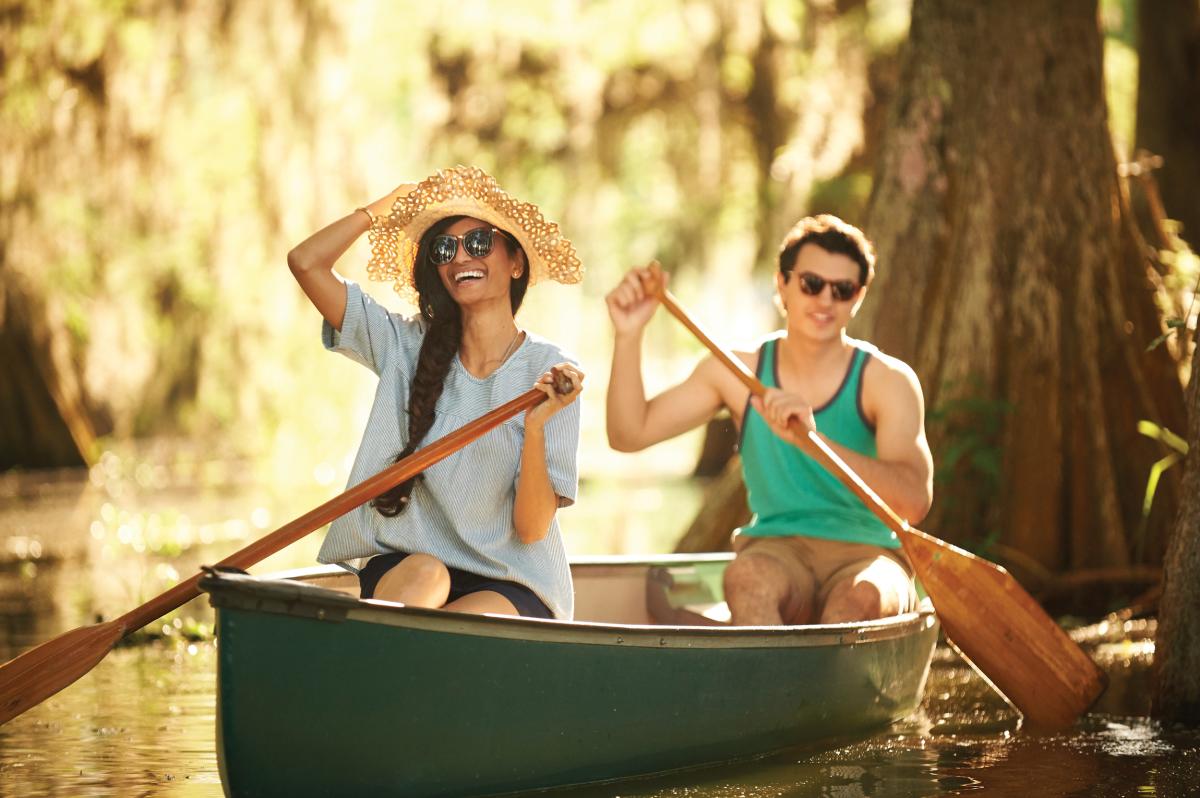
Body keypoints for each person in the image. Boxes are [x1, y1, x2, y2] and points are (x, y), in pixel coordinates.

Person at [287, 165, 585, 620]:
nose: (461, 257)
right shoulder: (404, 345)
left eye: (480, 243)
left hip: (510, 577)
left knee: (470, 625)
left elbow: (530, 529)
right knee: (429, 579)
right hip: (410, 566)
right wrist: (378, 211)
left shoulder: (549, 373)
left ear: (516, 262)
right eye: (445, 249)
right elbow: (305, 262)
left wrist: (538, 425)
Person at [605, 214, 933, 625]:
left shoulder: (887, 380)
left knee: (858, 599)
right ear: (782, 284)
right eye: (811, 284)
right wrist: (628, 335)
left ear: (859, 297)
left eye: (842, 289)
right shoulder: (736, 372)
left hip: (868, 553)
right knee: (747, 578)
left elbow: (914, 502)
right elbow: (628, 434)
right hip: (777, 548)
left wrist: (814, 441)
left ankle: (830, 685)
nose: (825, 301)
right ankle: (773, 686)